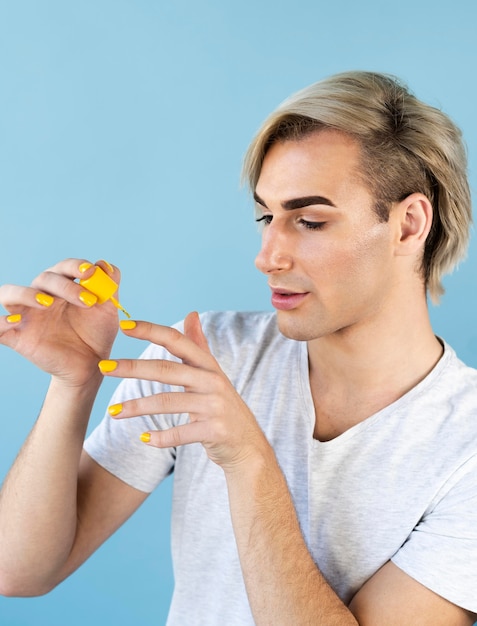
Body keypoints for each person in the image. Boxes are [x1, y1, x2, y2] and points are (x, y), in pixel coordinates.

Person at [0, 71, 476, 625]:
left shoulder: (465, 446)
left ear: (408, 225)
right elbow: (19, 570)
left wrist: (248, 460)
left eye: (310, 220)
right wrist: (73, 384)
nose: (268, 255)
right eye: (266, 217)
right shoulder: (208, 356)